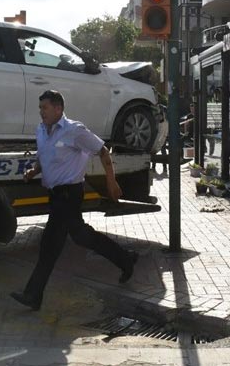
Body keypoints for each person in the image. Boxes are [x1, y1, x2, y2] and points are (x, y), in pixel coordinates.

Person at [10, 90, 138, 311]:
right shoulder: (41, 130)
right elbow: (43, 157)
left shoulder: (74, 130)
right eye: (40, 108)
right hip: (56, 195)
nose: (41, 112)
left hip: (69, 194)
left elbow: (103, 151)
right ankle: (125, 259)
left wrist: (111, 182)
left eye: (45, 108)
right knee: (81, 236)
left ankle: (33, 295)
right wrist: (33, 171)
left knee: (49, 244)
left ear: (58, 109)